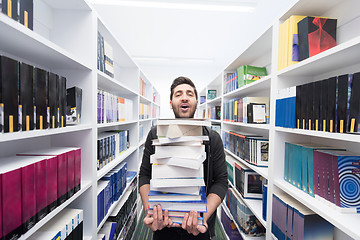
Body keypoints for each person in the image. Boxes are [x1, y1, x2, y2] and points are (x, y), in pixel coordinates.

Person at [139, 76, 228, 239]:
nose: (184, 97)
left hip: (199, 228)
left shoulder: (213, 138)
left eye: (189, 93)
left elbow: (221, 182)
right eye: (178, 94)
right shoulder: (155, 134)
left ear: (196, 101)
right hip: (163, 227)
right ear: (171, 102)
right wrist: (150, 212)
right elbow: (144, 175)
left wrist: (202, 217)